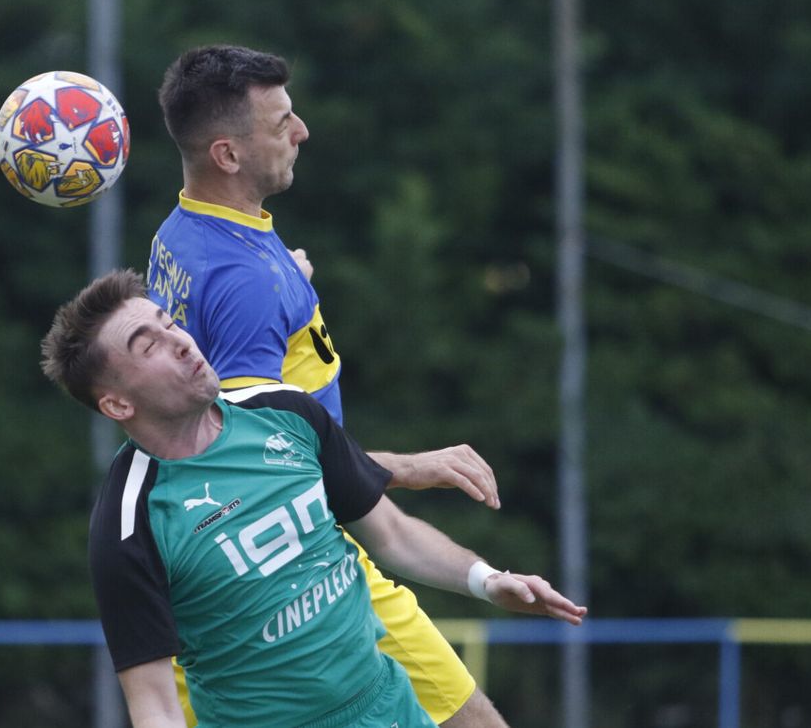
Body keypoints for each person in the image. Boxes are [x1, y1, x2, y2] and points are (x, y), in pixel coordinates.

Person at [40, 270, 586, 728]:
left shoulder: (284, 410)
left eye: (169, 323)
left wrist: (487, 581)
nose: (182, 340)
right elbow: (154, 701)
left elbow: (391, 533)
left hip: (389, 708)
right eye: (150, 345)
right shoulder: (127, 524)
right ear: (116, 405)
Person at [147, 44, 509, 726]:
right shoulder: (243, 281)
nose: (302, 130)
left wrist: (291, 287)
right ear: (227, 154)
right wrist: (405, 467)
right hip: (289, 579)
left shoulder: (186, 233)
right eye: (281, 121)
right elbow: (258, 474)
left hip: (284, 560)